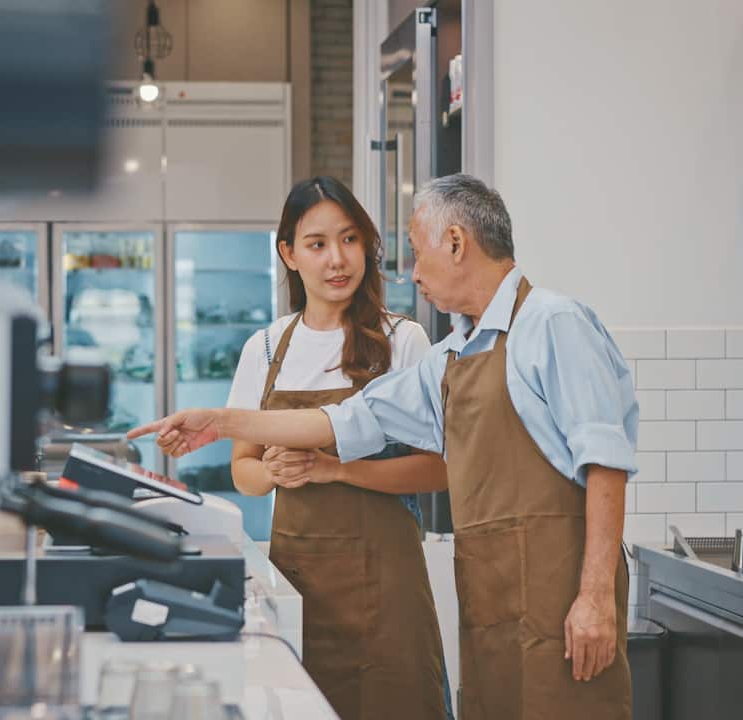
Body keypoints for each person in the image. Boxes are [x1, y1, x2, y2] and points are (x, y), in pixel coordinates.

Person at [129, 173, 638, 719]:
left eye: (418, 254)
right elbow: (348, 418)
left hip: (560, 594)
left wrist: (595, 598)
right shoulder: (455, 352)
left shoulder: (552, 322)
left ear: (457, 243)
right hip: (493, 595)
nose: (413, 274)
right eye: (318, 244)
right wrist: (222, 422)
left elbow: (605, 463)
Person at [224, 176, 451, 720]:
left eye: (349, 240)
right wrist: (276, 470)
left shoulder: (403, 339)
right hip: (299, 586)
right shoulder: (266, 347)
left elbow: (440, 469)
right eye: (317, 244)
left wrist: (335, 470)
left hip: (386, 584)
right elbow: (243, 472)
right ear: (289, 254)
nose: (337, 260)